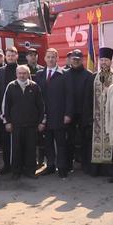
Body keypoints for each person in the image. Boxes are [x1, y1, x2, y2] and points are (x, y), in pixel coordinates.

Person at [3, 65, 45, 179]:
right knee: (16, 149)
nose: (22, 75)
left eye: (24, 73)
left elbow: (41, 106)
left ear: (28, 74)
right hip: (16, 125)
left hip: (32, 125)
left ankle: (30, 171)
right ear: (16, 74)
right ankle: (16, 172)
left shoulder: (35, 86)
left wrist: (42, 122)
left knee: (31, 149)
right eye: (20, 73)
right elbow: (6, 106)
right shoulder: (11, 86)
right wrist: (7, 122)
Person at [34, 48, 69, 178]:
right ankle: (50, 166)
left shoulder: (64, 74)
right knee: (47, 143)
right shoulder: (39, 74)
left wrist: (68, 114)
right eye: (48, 57)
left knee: (60, 143)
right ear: (44, 58)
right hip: (44, 116)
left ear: (57, 58)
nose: (50, 59)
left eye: (53, 57)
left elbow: (69, 96)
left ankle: (62, 167)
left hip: (59, 115)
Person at [64, 50, 94, 172]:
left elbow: (92, 96)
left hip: (84, 113)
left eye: (78, 59)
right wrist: (66, 113)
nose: (75, 61)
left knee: (85, 140)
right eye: (73, 59)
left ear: (82, 60)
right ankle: (68, 165)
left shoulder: (89, 75)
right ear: (70, 60)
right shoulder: (65, 74)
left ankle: (85, 165)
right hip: (69, 113)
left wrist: (89, 115)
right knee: (69, 140)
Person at [91, 47, 113, 176]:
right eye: (101, 60)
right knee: (96, 142)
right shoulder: (93, 77)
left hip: (112, 117)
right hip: (96, 117)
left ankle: (110, 170)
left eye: (106, 60)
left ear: (111, 62)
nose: (103, 62)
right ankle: (96, 169)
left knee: (111, 143)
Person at [0, 47, 19, 174]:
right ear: (5, 56)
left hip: (19, 111)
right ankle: (6, 166)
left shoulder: (22, 70)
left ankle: (18, 165)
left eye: (12, 55)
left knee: (19, 140)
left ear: (17, 56)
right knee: (5, 140)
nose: (10, 57)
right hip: (3, 111)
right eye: (8, 55)